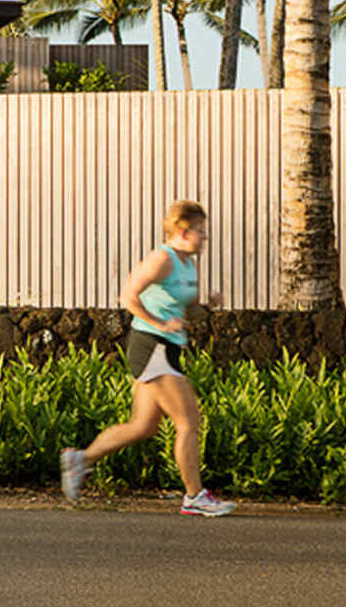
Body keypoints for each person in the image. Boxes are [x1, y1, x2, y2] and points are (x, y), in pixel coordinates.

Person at [61, 199, 237, 516]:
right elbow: (127, 296)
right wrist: (160, 323)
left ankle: (81, 460)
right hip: (151, 345)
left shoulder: (187, 264)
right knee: (188, 422)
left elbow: (186, 312)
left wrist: (208, 306)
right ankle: (194, 497)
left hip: (166, 347)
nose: (204, 238)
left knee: (142, 426)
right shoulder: (161, 259)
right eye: (200, 231)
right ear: (183, 231)